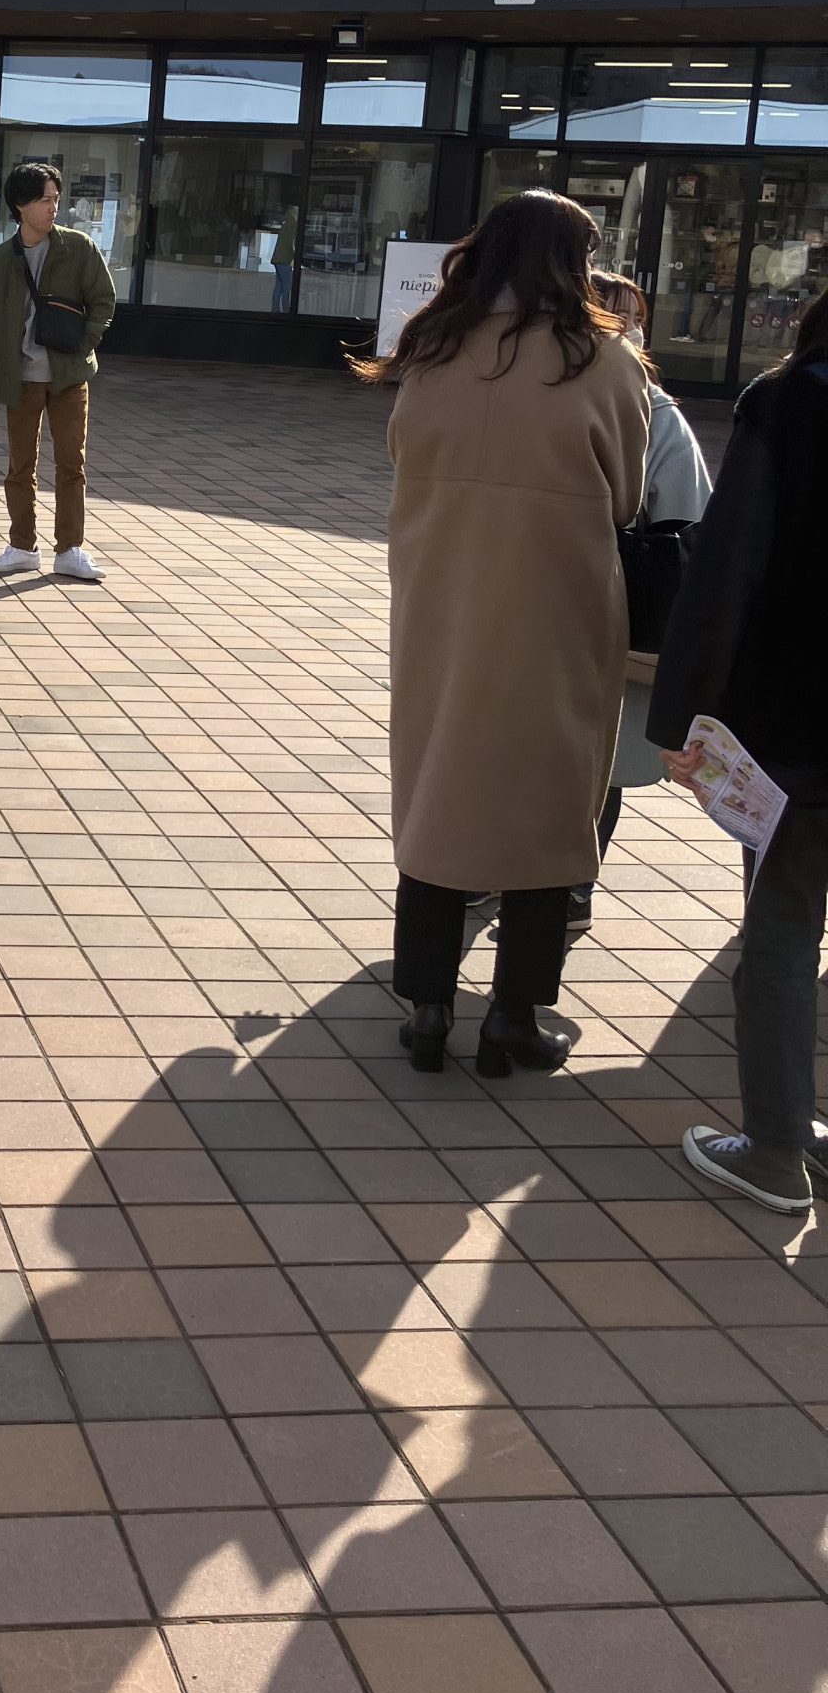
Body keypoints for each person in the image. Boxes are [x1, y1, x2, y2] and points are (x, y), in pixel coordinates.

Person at [361, 191, 649, 1077]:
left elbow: (403, 457)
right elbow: (629, 495)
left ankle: (428, 1006)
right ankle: (513, 1017)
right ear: (570, 261)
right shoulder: (604, 357)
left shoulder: (433, 345)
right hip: (558, 602)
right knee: (546, 808)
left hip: (440, 596)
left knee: (439, 786)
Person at [650, 287, 828, 1213]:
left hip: (798, 724)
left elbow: (729, 570)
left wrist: (685, 715)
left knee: (784, 934)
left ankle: (775, 1146)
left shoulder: (789, 403)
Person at [571, 271, 712, 930]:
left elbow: (688, 518)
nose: (629, 331)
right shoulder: (649, 410)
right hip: (609, 608)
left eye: (635, 319)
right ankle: (562, 885)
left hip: (604, 614)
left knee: (597, 760)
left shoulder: (656, 412)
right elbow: (690, 522)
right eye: (614, 316)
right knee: (593, 755)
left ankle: (566, 882)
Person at [0, 160, 117, 582]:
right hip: (21, 378)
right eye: (45, 200)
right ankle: (22, 546)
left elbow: (103, 300)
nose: (54, 208)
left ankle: (70, 550)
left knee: (72, 464)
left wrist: (84, 345)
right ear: (21, 205)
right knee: (20, 466)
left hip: (68, 376)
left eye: (56, 199)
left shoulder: (78, 248)